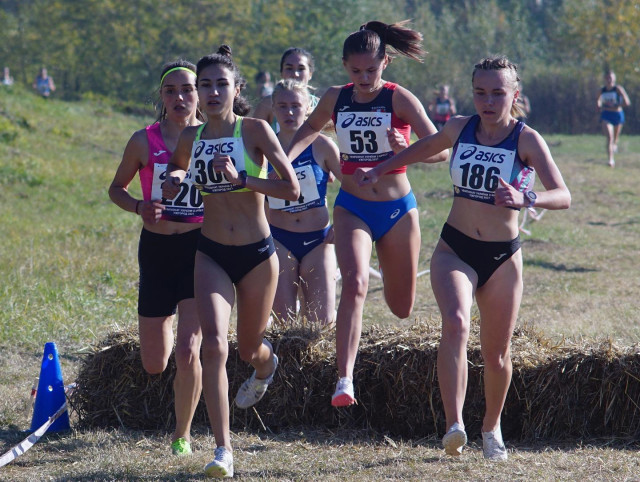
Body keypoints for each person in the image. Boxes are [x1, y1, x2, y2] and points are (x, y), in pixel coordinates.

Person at [354, 55, 571, 461]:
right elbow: (423, 149)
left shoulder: (526, 140)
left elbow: (563, 195)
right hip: (455, 249)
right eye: (480, 92)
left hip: (502, 257)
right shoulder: (459, 127)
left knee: (497, 354)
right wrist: (381, 169)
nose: (488, 101)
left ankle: (491, 428)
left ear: (514, 95)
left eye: (497, 93)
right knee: (455, 323)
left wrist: (526, 197)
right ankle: (454, 425)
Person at [285, 20, 448, 407]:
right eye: (355, 71)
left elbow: (441, 151)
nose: (363, 79)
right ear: (345, 66)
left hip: (396, 210)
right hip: (352, 207)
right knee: (356, 282)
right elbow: (309, 129)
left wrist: (405, 146)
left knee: (401, 307)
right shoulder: (335, 97)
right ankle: (344, 379)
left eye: (370, 70)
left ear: (385, 63)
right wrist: (284, 161)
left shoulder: (399, 98)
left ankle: (390, 289)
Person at [162, 45, 300, 479]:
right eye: (205, 85)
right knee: (214, 346)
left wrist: (243, 179)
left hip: (258, 255)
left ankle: (266, 364)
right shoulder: (191, 137)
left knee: (248, 349)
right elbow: (178, 168)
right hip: (212, 253)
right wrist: (174, 179)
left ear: (236, 89)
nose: (212, 92)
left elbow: (291, 189)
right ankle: (223, 449)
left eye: (221, 84)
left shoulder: (255, 130)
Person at [108, 60, 204, 457]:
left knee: (188, 350)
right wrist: (138, 207)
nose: (179, 97)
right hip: (157, 250)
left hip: (201, 250)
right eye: (171, 91)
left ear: (200, 94)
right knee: (155, 363)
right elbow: (116, 188)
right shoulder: (143, 140)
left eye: (187, 90)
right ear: (161, 97)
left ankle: (182, 435)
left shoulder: (213, 138)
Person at [266, 79, 342, 326]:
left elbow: (354, 187)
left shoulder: (323, 146)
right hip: (278, 239)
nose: (289, 112)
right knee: (283, 322)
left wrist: (342, 222)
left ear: (308, 107)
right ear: (273, 108)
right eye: (282, 106)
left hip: (318, 240)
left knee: (322, 322)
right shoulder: (263, 148)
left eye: (295, 106)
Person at [253, 47, 318, 130]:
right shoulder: (267, 104)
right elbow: (252, 136)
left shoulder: (320, 106)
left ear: (310, 74)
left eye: (301, 69)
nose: (295, 74)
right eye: (289, 68)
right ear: (281, 72)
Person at [597, 70, 631, 167]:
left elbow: (627, 102)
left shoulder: (618, 89)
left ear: (614, 79)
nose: (609, 80)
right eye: (607, 78)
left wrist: (616, 105)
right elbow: (598, 100)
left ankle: (615, 145)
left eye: (611, 78)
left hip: (617, 114)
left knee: (615, 139)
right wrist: (599, 106)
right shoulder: (602, 90)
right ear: (605, 79)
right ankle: (610, 160)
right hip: (606, 115)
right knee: (609, 137)